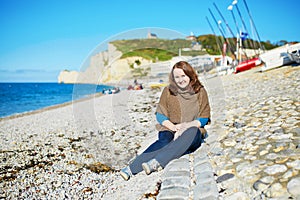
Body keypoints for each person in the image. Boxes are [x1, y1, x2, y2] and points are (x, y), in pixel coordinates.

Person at [120, 61, 211, 181]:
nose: (180, 80)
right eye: (177, 77)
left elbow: (204, 117)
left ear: (190, 75)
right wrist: (173, 128)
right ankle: (131, 169)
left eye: (183, 76)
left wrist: (184, 126)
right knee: (164, 141)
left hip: (192, 129)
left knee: (191, 133)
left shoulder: (200, 91)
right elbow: (160, 115)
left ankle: (156, 162)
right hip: (170, 127)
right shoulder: (168, 91)